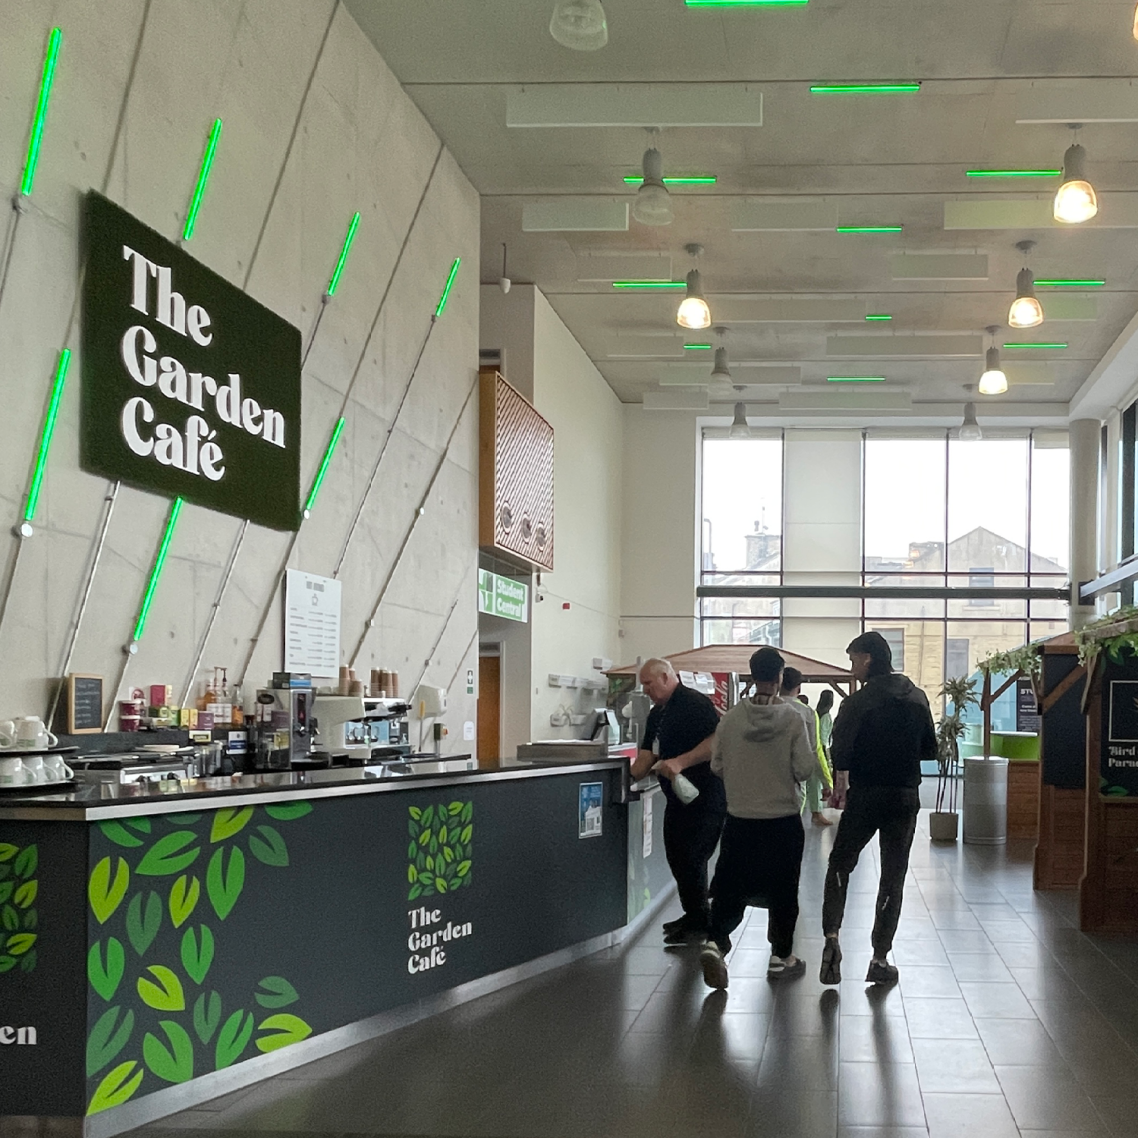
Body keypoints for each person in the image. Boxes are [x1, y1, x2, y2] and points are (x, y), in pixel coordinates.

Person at [820, 631, 938, 986]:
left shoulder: (858, 703)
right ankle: (880, 958)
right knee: (893, 875)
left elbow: (840, 753)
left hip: (867, 795)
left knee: (840, 864)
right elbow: (930, 750)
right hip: (905, 796)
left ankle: (832, 937)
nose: (851, 667)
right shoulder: (917, 696)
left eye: (853, 659)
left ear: (868, 658)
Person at [699, 647, 817, 989]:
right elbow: (804, 768)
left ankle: (715, 942)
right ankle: (781, 957)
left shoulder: (730, 718)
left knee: (730, 886)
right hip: (782, 820)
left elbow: (716, 765)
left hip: (740, 819)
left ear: (752, 676)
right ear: (780, 677)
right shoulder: (793, 718)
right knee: (784, 889)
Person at [630, 659, 724, 943]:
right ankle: (694, 913)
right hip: (677, 799)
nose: (646, 690)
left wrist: (681, 762)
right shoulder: (657, 714)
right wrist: (626, 777)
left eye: (649, 683)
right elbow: (647, 754)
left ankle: (700, 920)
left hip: (704, 796)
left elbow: (716, 741)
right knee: (677, 856)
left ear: (665, 677)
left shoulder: (693, 703)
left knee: (693, 857)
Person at [780, 668, 834, 827]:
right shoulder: (807, 713)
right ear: (799, 687)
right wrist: (827, 781)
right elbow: (815, 750)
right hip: (795, 777)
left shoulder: (763, 707)